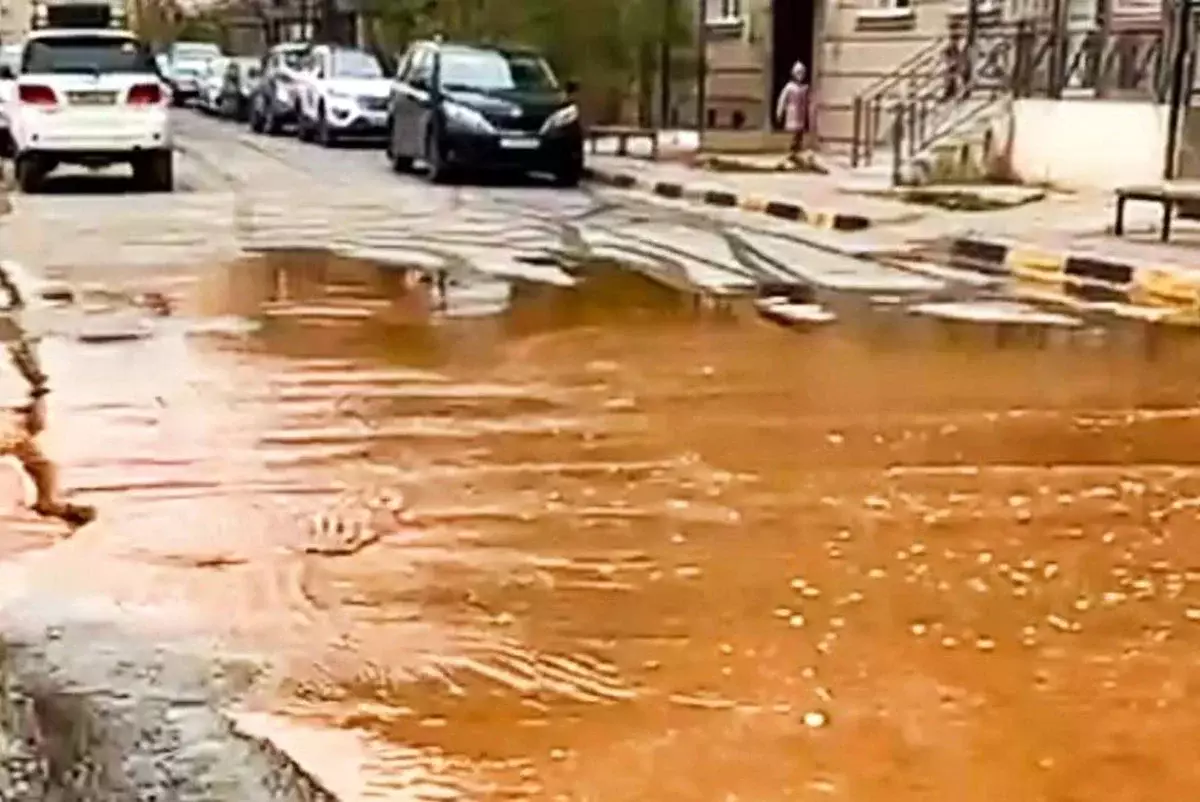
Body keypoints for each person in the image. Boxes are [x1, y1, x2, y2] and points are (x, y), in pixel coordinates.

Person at [775, 61, 811, 163]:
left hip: (801, 114)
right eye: (798, 73)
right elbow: (782, 99)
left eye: (802, 73)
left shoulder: (805, 88)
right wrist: (779, 112)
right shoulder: (789, 87)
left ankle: (795, 153)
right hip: (792, 113)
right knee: (792, 135)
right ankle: (790, 153)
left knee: (799, 135)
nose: (800, 75)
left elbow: (808, 102)